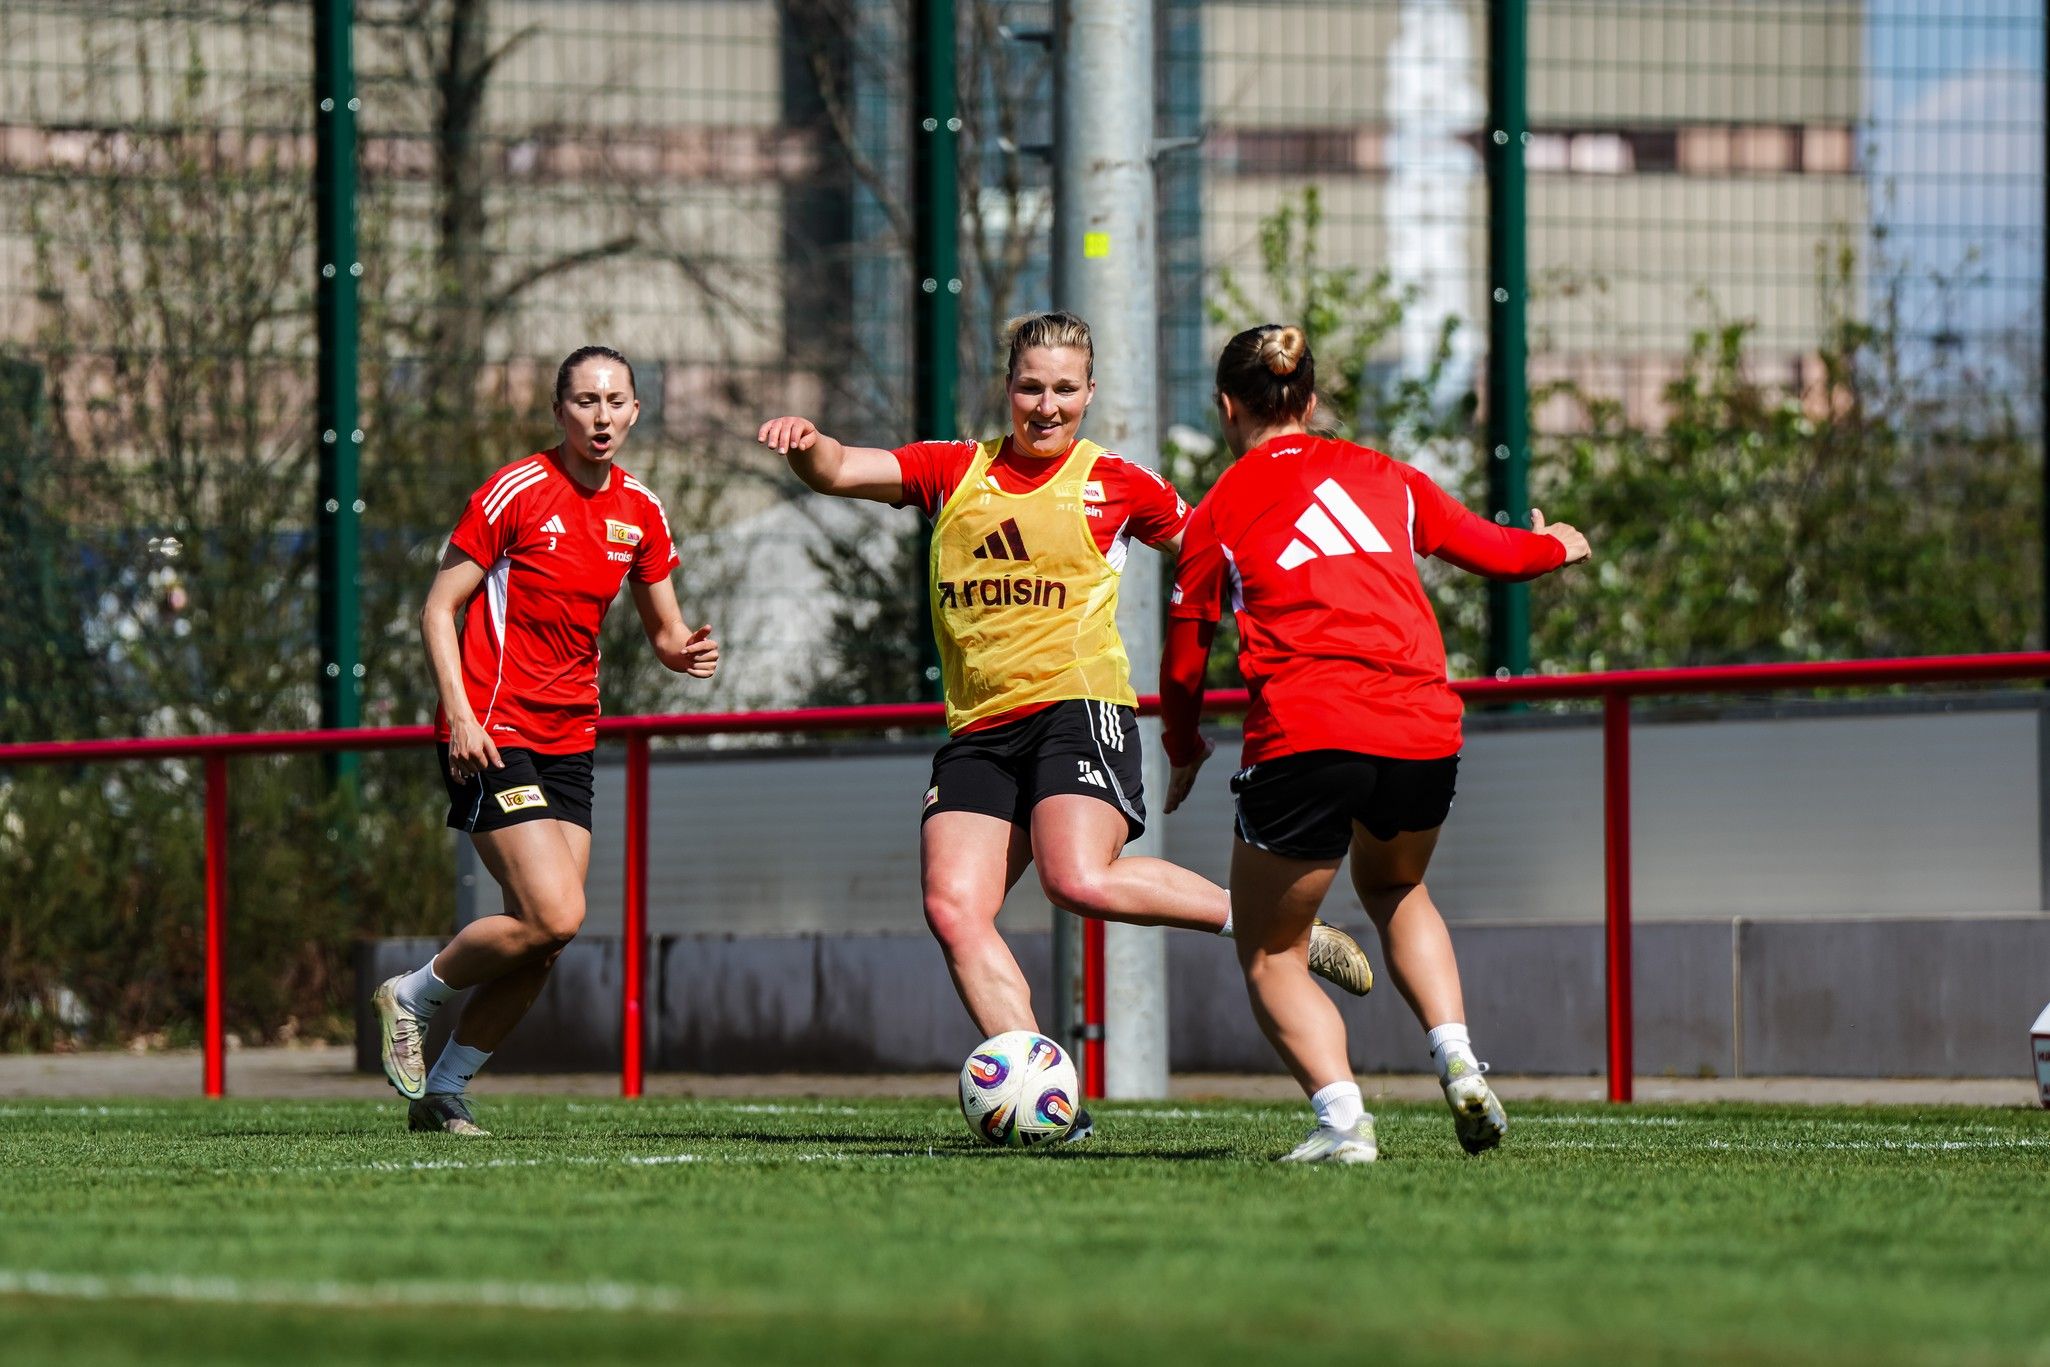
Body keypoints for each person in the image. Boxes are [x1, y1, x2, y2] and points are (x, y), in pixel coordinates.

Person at [758, 310, 1372, 1138]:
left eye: (1063, 390)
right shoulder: (953, 469)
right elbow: (837, 467)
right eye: (1030, 387)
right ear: (1006, 388)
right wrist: (806, 445)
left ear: (1089, 393)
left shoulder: (1116, 481)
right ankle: (1048, 1103)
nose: (1046, 406)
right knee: (953, 907)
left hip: (1077, 708)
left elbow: (1219, 551)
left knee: (1075, 879)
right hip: (980, 728)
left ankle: (1264, 920)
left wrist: (1320, 613)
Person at [1160, 323, 1591, 1163]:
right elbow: (1500, 554)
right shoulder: (1386, 475)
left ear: (1226, 408)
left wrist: (1183, 746)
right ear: (1312, 399)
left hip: (1306, 735)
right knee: (1396, 884)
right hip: (1420, 728)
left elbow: (1183, 664)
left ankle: (1343, 1120)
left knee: (1273, 950)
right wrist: (1557, 545)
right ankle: (1458, 1057)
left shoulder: (1217, 511)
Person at [373, 345, 720, 1136]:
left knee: (545, 940)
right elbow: (437, 610)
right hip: (492, 729)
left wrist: (684, 652)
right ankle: (413, 993)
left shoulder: (641, 510)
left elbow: (665, 629)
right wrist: (459, 713)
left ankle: (444, 1091)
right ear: (559, 411)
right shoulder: (516, 490)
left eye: (616, 401)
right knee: (556, 912)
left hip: (570, 739)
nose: (602, 416)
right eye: (585, 401)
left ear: (636, 411)